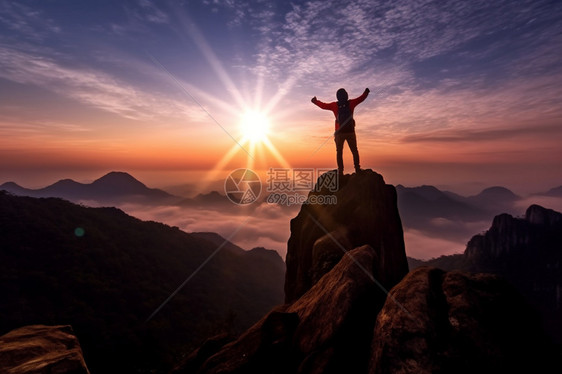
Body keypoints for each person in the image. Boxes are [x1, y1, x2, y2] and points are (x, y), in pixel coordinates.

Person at [311, 87, 370, 174]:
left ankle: (340, 171)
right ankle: (357, 169)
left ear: (337, 97)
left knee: (339, 152)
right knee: (354, 150)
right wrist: (366, 92)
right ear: (346, 95)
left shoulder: (334, 105)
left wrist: (315, 101)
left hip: (339, 133)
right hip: (350, 132)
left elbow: (323, 106)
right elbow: (361, 99)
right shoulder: (351, 103)